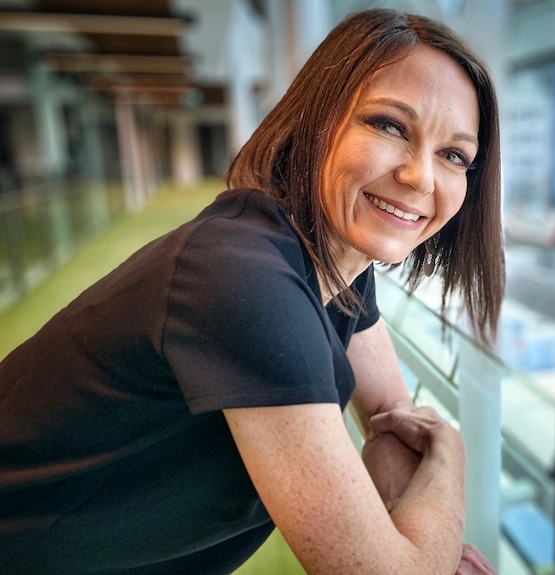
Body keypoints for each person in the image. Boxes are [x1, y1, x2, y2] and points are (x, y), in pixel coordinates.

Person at [0, 7, 504, 575]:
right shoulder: (244, 279)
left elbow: (390, 413)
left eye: (455, 155)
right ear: (318, 120)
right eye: (389, 125)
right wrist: (451, 461)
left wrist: (419, 537)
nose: (420, 177)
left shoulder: (335, 263)